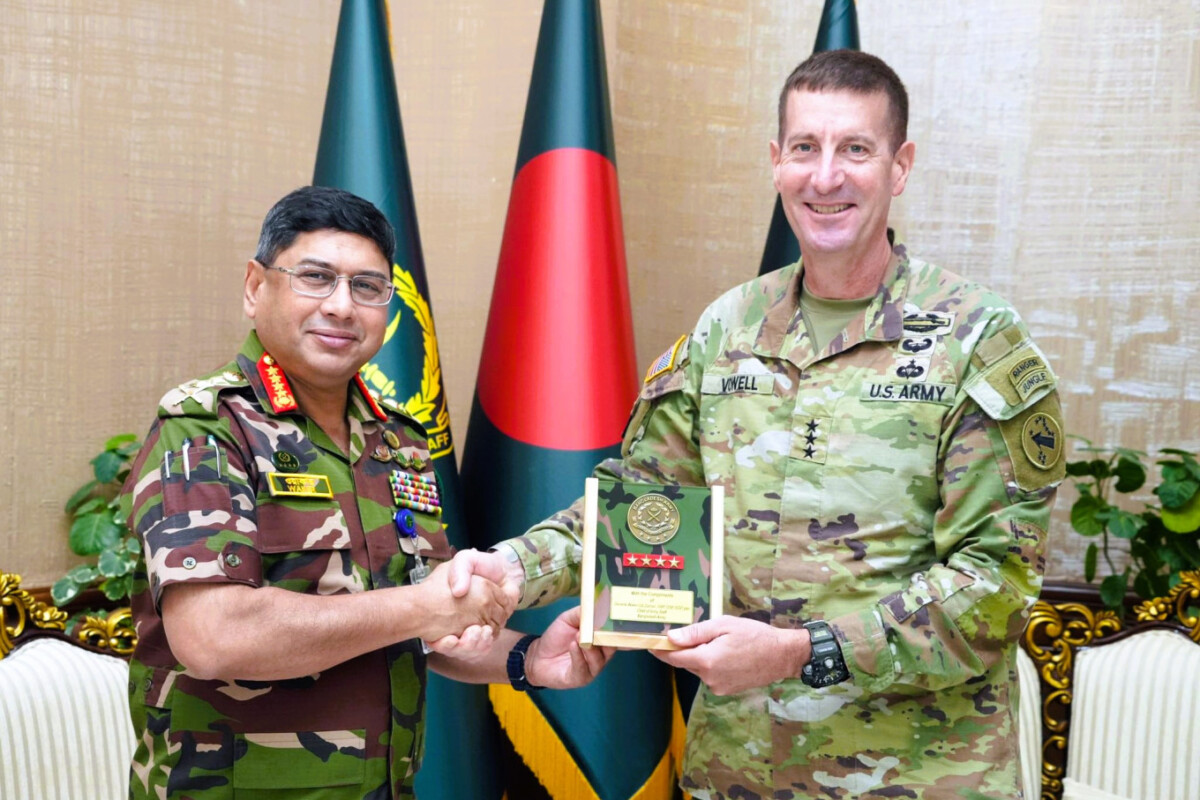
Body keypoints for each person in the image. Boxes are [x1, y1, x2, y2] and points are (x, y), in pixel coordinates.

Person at [452, 50, 1065, 798]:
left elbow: (992, 587)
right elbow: (644, 509)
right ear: (777, 162)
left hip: (920, 777)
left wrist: (798, 651)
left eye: (856, 150)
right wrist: (514, 568)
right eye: (805, 147)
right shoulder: (726, 329)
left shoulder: (975, 340)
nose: (826, 176)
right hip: (738, 772)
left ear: (899, 167)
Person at [121, 185, 612, 800]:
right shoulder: (205, 427)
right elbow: (216, 637)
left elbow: (431, 624)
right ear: (255, 287)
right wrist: (425, 608)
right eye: (315, 277)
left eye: (367, 287)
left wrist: (528, 658)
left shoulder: (397, 441)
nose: (341, 307)